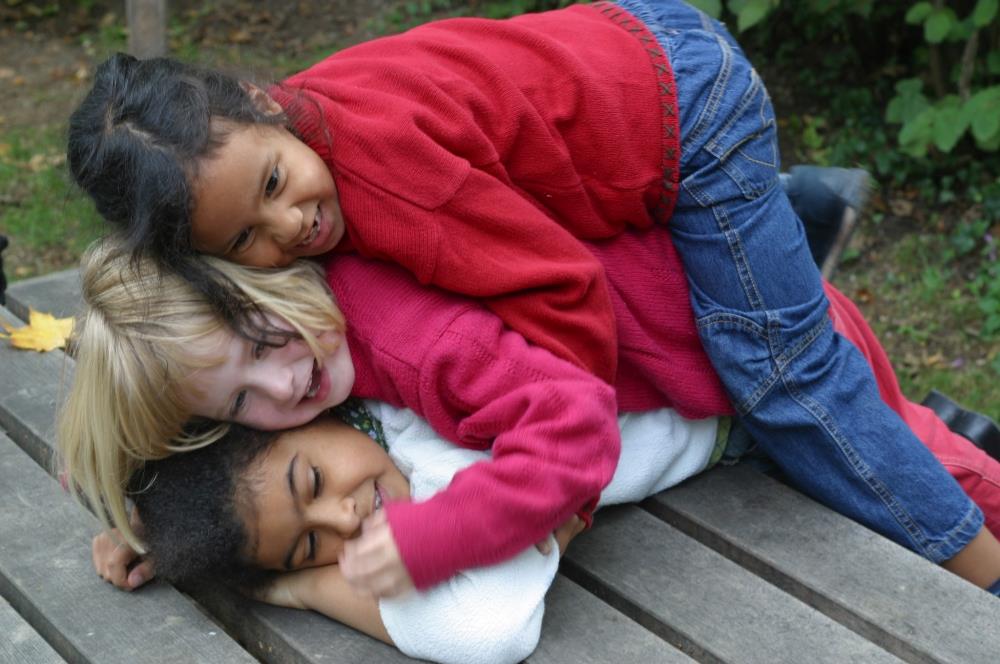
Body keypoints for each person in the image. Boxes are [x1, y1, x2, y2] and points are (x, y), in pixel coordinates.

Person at [64, 0, 1000, 595]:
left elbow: (567, 304)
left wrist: (562, 491)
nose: (281, 390)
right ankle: (803, 219)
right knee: (887, 422)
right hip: (635, 127)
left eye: (274, 188)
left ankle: (984, 578)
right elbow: (194, 403)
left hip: (687, 117)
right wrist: (164, 532)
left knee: (793, 385)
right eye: (245, 242)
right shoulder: (279, 202)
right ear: (212, 259)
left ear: (259, 101)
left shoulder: (391, 196)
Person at [70, 232, 1000, 601]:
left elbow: (576, 431)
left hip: (765, 366)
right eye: (238, 404)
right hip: (706, 394)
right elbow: (197, 456)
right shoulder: (313, 387)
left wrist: (411, 549)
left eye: (262, 345)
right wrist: (149, 522)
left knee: (936, 507)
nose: (282, 391)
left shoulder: (416, 353)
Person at [128, 402, 722, 664]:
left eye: (312, 481)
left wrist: (299, 589)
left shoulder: (432, 445)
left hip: (732, 411)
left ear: (303, 416)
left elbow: (489, 632)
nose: (344, 519)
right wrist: (149, 528)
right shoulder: (385, 446)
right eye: (311, 548)